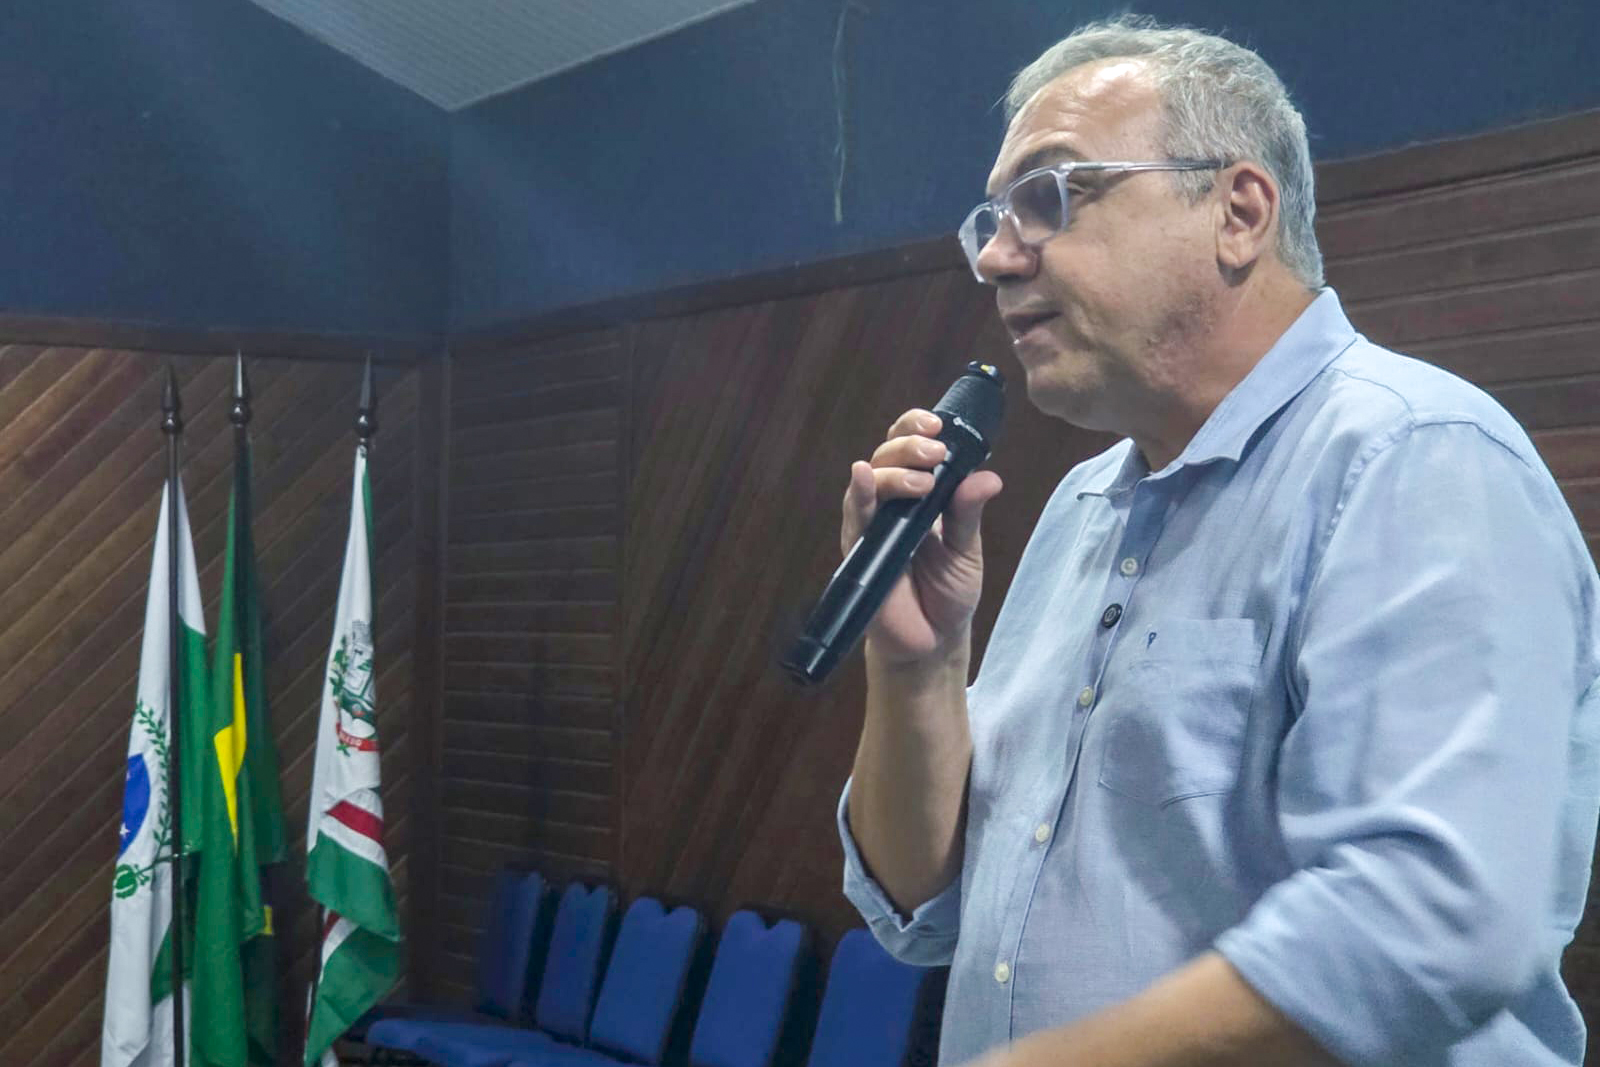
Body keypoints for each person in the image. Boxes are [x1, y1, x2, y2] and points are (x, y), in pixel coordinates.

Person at [835, 15, 1600, 1067]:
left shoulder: (1416, 458)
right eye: (992, 222)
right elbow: (920, 910)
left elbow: (1431, 917)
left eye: (1049, 196)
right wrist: (916, 668)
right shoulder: (1078, 508)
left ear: (1237, 212)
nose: (998, 259)